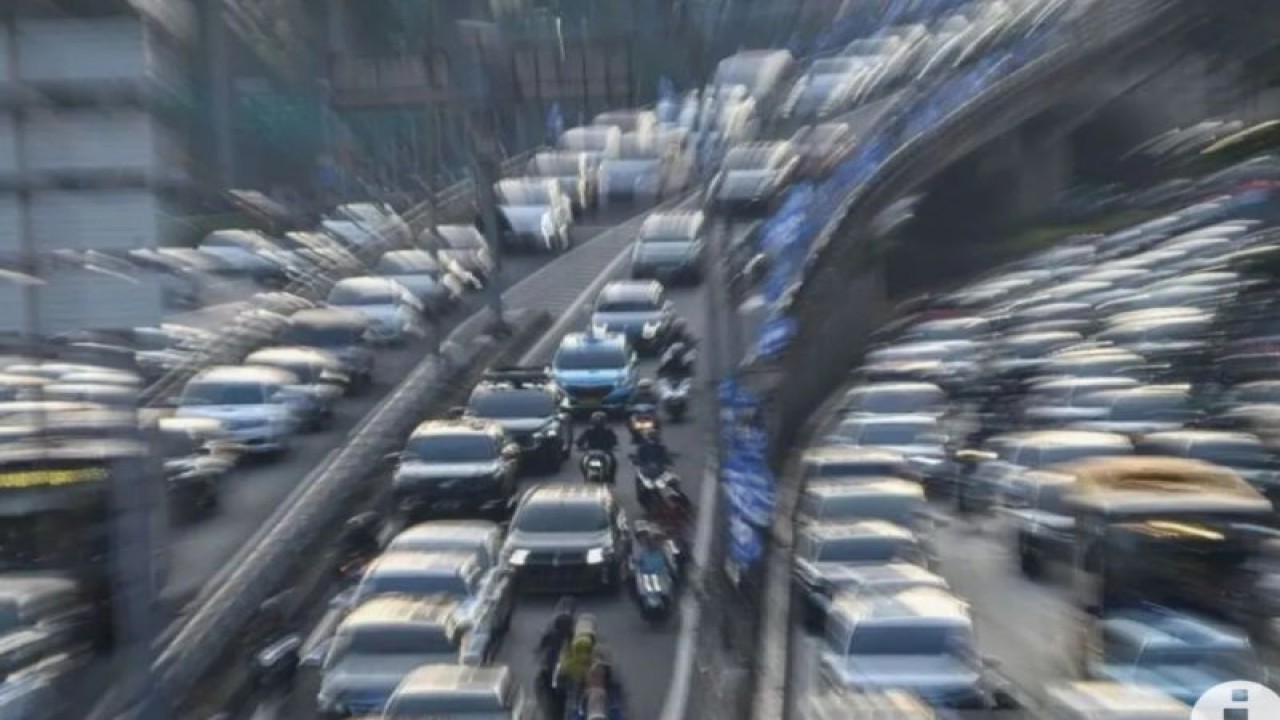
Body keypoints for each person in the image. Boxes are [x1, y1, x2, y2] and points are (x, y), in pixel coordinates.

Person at [577, 412, 619, 479]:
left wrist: (614, 446)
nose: (598, 422)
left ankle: (611, 478)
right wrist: (580, 446)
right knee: (582, 461)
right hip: (591, 452)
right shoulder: (589, 431)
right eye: (597, 420)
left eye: (600, 420)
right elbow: (581, 440)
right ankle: (585, 476)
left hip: (605, 452)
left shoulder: (608, 431)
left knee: (613, 462)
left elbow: (614, 441)